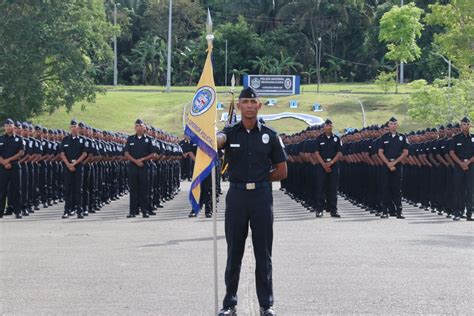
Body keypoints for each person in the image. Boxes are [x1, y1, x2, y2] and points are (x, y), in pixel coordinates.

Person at [216, 87, 287, 316]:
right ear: (238, 106)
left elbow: (282, 171)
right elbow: (218, 142)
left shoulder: (270, 135)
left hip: (261, 197)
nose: (248, 105)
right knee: (233, 251)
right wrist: (213, 135)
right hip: (236, 196)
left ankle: (266, 304)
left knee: (263, 252)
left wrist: (260, 179)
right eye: (244, 101)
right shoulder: (230, 133)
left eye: (252, 102)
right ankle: (229, 303)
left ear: (259, 106)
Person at [378, 117, 409, 219]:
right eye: (391, 124)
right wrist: (388, 164)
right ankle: (385, 211)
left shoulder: (402, 137)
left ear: (397, 125)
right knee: (385, 187)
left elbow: (405, 152)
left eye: (395, 123)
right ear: (388, 125)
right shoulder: (384, 137)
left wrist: (394, 163)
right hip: (386, 166)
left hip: (397, 165)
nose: (393, 125)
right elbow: (380, 152)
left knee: (397, 188)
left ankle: (399, 211)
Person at [124, 119, 154, 218]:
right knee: (133, 190)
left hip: (144, 167)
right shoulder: (130, 139)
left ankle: (145, 211)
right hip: (133, 167)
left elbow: (153, 154)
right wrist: (135, 161)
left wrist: (142, 159)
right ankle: (132, 211)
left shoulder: (148, 139)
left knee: (144, 190)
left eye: (141, 126)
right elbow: (126, 153)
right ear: (134, 127)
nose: (139, 128)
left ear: (144, 127)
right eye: (137, 126)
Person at [59, 119, 87, 219]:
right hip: (67, 167)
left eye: (75, 127)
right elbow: (62, 153)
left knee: (78, 189)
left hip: (78, 166)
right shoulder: (65, 139)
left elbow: (84, 154)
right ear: (69, 128)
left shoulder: (83, 140)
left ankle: (80, 211)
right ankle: (67, 210)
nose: (73, 129)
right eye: (72, 127)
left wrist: (74, 163)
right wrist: (68, 164)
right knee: (67, 189)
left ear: (78, 128)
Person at [314, 119, 342, 218]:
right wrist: (324, 164)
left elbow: (339, 153)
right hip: (322, 166)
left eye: (330, 125)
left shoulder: (337, 139)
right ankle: (319, 210)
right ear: (324, 127)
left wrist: (331, 163)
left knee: (333, 189)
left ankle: (333, 210)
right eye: (327, 125)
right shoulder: (319, 139)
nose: (329, 127)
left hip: (333, 166)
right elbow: (316, 153)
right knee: (320, 188)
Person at [0, 118, 25, 219]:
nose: (8, 127)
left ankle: (17, 211)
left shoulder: (19, 139)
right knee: (2, 190)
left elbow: (21, 153)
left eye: (10, 126)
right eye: (6, 126)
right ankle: (0, 211)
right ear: (4, 127)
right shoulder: (1, 139)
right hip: (2, 167)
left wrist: (8, 160)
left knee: (16, 189)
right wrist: (4, 162)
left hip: (15, 166)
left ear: (13, 127)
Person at [449, 116, 473, 221]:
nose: (466, 126)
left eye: (467, 124)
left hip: (471, 166)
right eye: (464, 124)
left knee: (470, 190)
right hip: (458, 167)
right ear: (461, 125)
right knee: (458, 190)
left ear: (470, 125)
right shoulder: (456, 138)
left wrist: (468, 162)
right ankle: (457, 212)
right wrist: (461, 163)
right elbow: (451, 153)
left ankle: (469, 213)